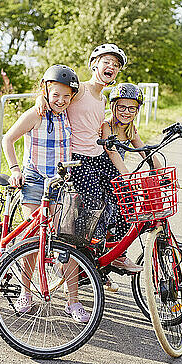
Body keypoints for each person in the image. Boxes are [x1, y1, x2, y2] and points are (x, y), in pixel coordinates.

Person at [36, 44, 142, 281]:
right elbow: (56, 94)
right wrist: (40, 99)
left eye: (115, 66)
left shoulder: (102, 98)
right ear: (94, 64)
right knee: (94, 202)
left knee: (127, 196)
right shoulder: (80, 90)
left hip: (97, 157)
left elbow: (102, 130)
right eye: (107, 62)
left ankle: (115, 252)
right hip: (77, 160)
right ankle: (79, 260)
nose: (111, 68)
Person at [2, 64, 90, 323]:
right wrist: (15, 169)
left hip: (62, 182)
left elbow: (89, 91)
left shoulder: (69, 110)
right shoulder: (36, 114)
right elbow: (8, 139)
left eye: (66, 96)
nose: (61, 100)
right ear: (45, 91)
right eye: (55, 95)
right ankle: (25, 293)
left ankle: (73, 301)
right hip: (36, 179)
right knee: (32, 239)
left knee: (67, 240)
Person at [99, 83, 163, 243]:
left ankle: (119, 249)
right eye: (121, 107)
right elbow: (112, 152)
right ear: (113, 106)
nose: (126, 112)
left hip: (118, 175)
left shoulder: (130, 129)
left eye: (131, 108)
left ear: (137, 110)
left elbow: (144, 150)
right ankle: (112, 247)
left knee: (130, 208)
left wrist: (160, 168)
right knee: (123, 204)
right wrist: (127, 176)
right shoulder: (106, 126)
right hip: (103, 174)